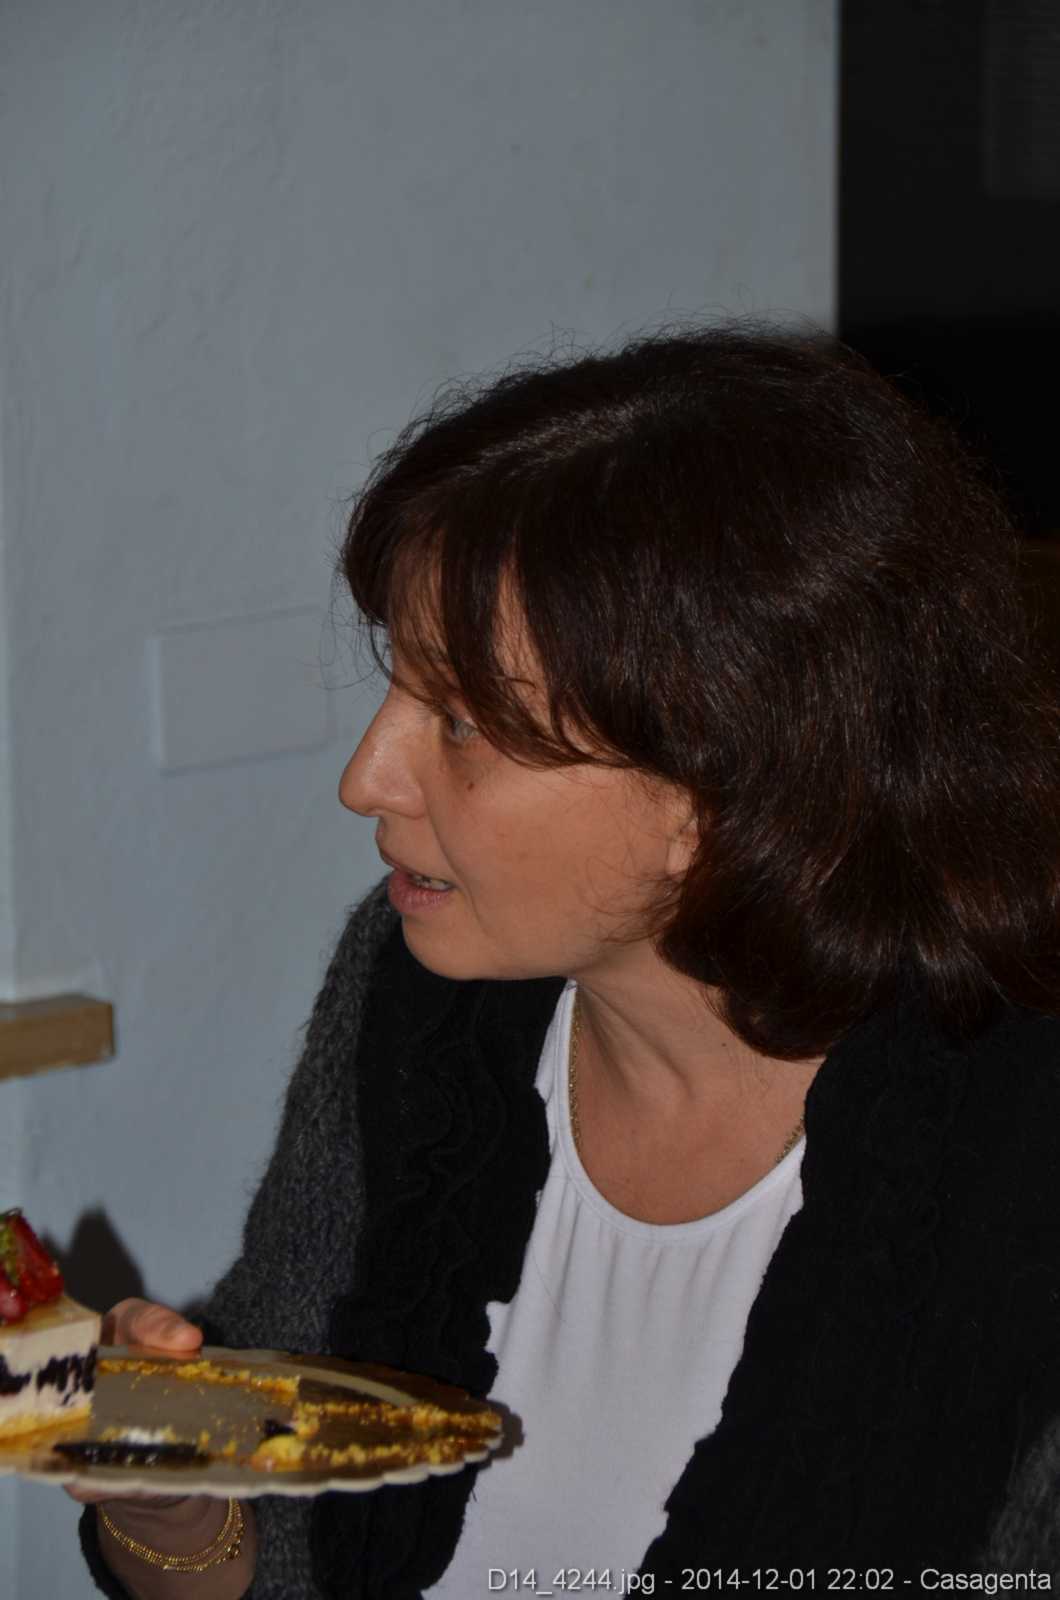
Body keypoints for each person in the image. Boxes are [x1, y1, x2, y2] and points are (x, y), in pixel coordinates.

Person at [74, 326, 1060, 1599]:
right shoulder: (419, 1005)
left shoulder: (1014, 1163)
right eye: (396, 687)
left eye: (462, 721)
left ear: (723, 786)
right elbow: (284, 1547)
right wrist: (173, 1501)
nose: (366, 778)